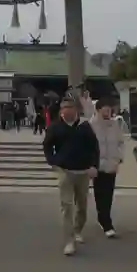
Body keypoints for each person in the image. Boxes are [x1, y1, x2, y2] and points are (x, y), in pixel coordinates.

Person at [42, 98, 100, 256]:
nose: (66, 111)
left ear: (76, 110)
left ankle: (78, 229)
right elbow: (47, 145)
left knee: (82, 205)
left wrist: (94, 165)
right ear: (61, 111)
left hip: (83, 171)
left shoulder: (84, 127)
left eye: (70, 108)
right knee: (67, 206)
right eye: (64, 108)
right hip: (65, 170)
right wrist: (52, 161)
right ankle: (69, 241)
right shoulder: (55, 127)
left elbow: (94, 148)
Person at [89, 96, 125, 238]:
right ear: (98, 111)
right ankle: (105, 221)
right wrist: (90, 162)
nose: (108, 114)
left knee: (108, 193)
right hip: (97, 165)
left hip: (111, 164)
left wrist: (119, 158)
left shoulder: (115, 125)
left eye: (109, 111)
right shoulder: (91, 125)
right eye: (105, 111)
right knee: (99, 193)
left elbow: (121, 142)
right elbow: (87, 146)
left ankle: (105, 218)